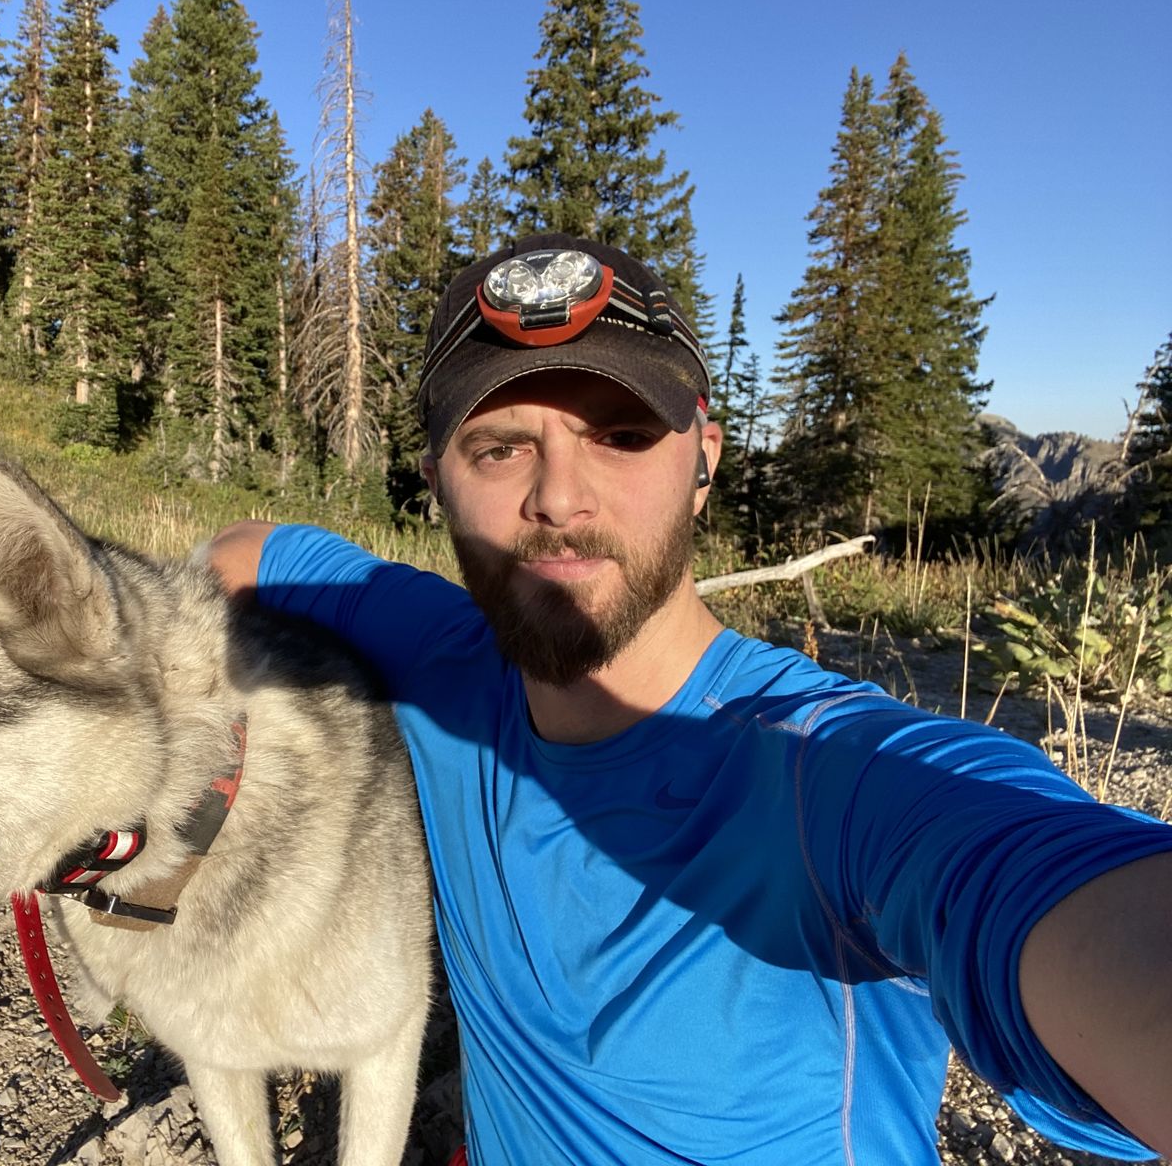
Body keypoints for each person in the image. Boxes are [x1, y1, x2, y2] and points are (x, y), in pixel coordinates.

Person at [207, 233, 1172, 1165]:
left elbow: (1026, 877)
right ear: (437, 485)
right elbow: (242, 553)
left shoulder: (830, 777)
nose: (560, 498)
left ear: (704, 460)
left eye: (622, 436)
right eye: (499, 449)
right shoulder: (438, 651)